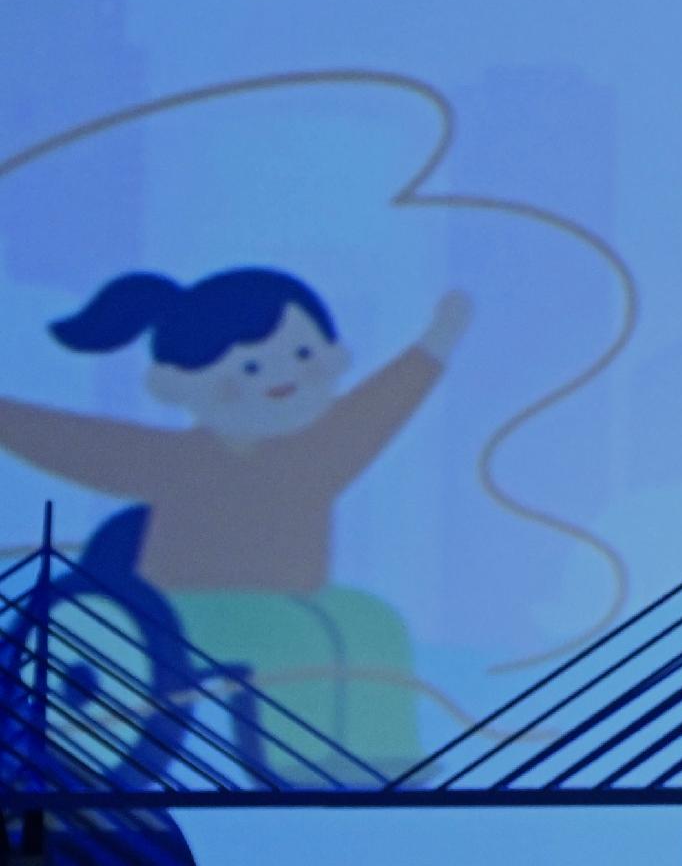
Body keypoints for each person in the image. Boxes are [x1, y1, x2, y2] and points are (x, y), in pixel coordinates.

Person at [0, 266, 471, 765]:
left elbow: (378, 408)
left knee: (372, 620)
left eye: (303, 354)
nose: (281, 378)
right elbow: (76, 444)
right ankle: (298, 766)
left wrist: (434, 345)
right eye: (248, 368)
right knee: (295, 635)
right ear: (176, 385)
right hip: (180, 606)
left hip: (290, 597)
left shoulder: (318, 453)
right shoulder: (178, 460)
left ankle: (385, 759)